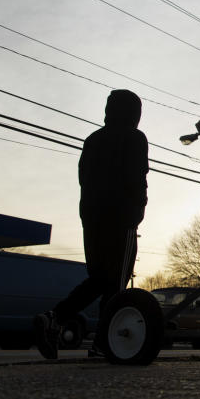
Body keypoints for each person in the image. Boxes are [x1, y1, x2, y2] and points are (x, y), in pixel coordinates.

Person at [34, 89, 149, 359]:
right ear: (134, 113)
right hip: (121, 219)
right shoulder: (135, 138)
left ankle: (59, 320)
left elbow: (83, 178)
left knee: (100, 279)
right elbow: (137, 177)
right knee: (117, 284)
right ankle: (99, 339)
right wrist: (137, 212)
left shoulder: (93, 140)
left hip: (92, 219)